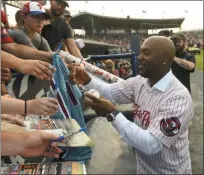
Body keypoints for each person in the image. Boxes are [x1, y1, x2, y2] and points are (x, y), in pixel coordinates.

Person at [69, 36, 194, 174]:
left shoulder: (178, 97)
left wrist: (112, 114)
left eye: (146, 53)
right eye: (141, 52)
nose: (139, 57)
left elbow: (151, 144)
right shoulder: (140, 82)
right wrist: (86, 80)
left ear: (164, 58)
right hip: (144, 169)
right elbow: (110, 91)